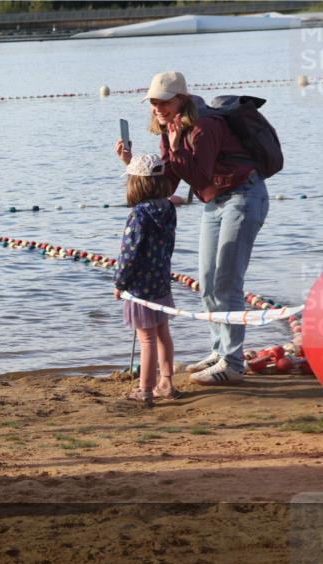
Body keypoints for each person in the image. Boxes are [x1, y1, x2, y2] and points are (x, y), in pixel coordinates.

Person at [116, 71, 268, 386]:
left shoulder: (204, 126)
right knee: (208, 282)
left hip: (243, 197)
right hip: (215, 202)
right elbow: (167, 184)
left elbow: (198, 177)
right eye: (153, 102)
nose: (157, 108)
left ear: (181, 99)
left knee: (227, 281)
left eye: (164, 101)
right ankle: (219, 351)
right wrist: (130, 164)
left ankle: (234, 363)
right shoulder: (170, 128)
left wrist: (175, 148)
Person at [113, 154, 179, 407]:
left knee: (147, 339)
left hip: (140, 286)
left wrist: (120, 283)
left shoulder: (138, 214)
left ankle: (145, 389)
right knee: (163, 333)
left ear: (136, 183)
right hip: (161, 279)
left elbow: (129, 253)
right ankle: (167, 382)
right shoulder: (168, 207)